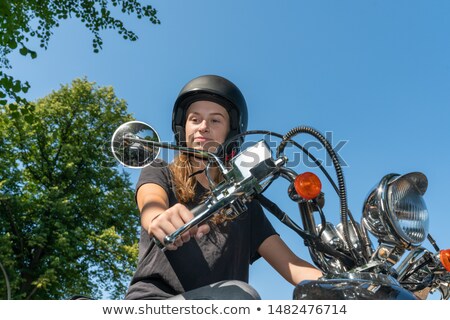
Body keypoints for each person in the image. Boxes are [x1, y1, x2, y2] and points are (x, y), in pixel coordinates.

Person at [125, 75, 322, 300]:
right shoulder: (160, 171)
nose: (203, 127)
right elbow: (151, 205)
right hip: (154, 303)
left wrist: (345, 287)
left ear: (231, 132)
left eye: (215, 120)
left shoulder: (246, 205)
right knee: (240, 294)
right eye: (194, 119)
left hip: (223, 306)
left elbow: (293, 265)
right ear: (183, 128)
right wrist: (159, 219)